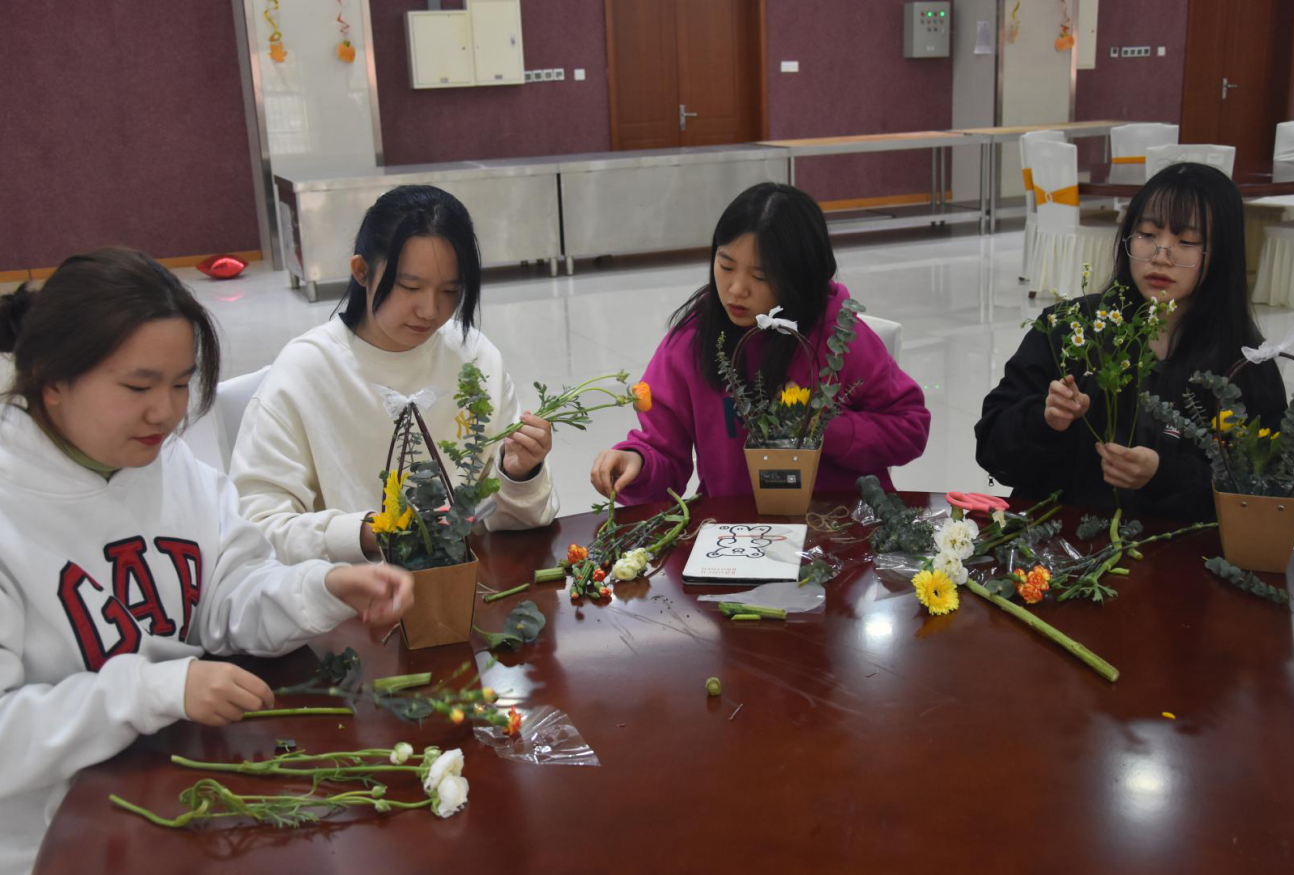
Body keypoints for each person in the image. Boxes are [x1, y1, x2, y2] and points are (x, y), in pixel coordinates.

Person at [0, 249, 413, 875]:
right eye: (138, 386)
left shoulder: (165, 464)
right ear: (51, 380)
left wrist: (324, 587)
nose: (165, 413)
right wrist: (154, 689)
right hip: (54, 841)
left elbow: (225, 594)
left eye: (179, 383)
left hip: (184, 792)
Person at [230, 185, 558, 564]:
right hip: (345, 601)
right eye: (410, 286)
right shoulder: (306, 371)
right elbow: (256, 528)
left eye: (451, 290)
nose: (430, 310)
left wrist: (519, 475)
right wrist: (368, 532)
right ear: (361, 272)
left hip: (459, 591)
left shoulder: (474, 357)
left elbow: (513, 522)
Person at [976, 162, 1286, 520]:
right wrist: (1044, 421)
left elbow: (1262, 495)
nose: (1160, 256)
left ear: (1222, 254)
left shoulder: (1244, 360)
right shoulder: (1071, 328)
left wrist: (1163, 474)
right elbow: (993, 451)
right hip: (1056, 544)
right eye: (1148, 234)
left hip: (1177, 558)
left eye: (1186, 242)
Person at [590, 182, 930, 502]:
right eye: (725, 266)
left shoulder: (839, 337)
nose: (736, 289)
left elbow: (910, 428)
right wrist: (636, 463)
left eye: (761, 276)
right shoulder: (693, 341)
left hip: (838, 530)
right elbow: (664, 452)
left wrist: (824, 429)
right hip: (732, 539)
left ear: (800, 275)